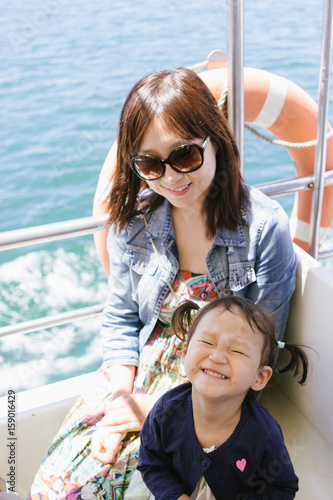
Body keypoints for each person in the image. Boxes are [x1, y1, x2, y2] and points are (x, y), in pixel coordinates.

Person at [28, 67, 297, 499]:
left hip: (213, 394)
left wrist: (161, 413)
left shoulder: (264, 229)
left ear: (215, 141)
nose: (170, 178)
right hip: (133, 376)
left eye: (185, 156)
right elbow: (120, 320)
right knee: (63, 486)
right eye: (150, 163)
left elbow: (260, 353)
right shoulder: (134, 223)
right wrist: (121, 399)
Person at [138, 296, 309, 499]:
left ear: (259, 377)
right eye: (207, 342)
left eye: (236, 350)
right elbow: (151, 464)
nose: (217, 357)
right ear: (185, 353)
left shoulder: (264, 434)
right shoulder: (166, 411)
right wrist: (174, 495)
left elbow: (281, 488)